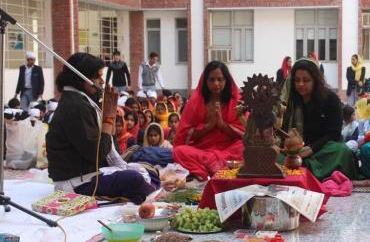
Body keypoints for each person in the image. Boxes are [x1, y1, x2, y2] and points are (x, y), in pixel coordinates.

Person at [46, 53, 156, 204]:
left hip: (91, 173)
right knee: (134, 178)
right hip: (77, 183)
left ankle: (145, 189)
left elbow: (111, 149)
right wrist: (109, 117)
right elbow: (97, 154)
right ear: (81, 78)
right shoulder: (76, 106)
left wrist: (107, 115)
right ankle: (146, 192)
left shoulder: (82, 101)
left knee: (149, 170)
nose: (102, 81)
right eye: (97, 77)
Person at [282, 58, 359, 180]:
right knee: (272, 154)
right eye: (297, 80)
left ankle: (304, 167)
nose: (301, 84)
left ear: (315, 81)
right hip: (295, 150)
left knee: (342, 151)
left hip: (323, 149)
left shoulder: (330, 99)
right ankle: (305, 167)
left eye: (306, 80)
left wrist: (311, 149)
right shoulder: (292, 101)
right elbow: (283, 131)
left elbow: (333, 133)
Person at [173, 60, 245, 180]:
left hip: (229, 150)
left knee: (247, 147)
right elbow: (184, 136)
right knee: (179, 152)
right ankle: (217, 169)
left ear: (226, 81)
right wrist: (209, 126)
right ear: (205, 81)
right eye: (211, 80)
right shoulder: (196, 101)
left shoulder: (236, 100)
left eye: (220, 79)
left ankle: (209, 169)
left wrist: (221, 125)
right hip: (203, 151)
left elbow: (246, 134)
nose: (216, 84)